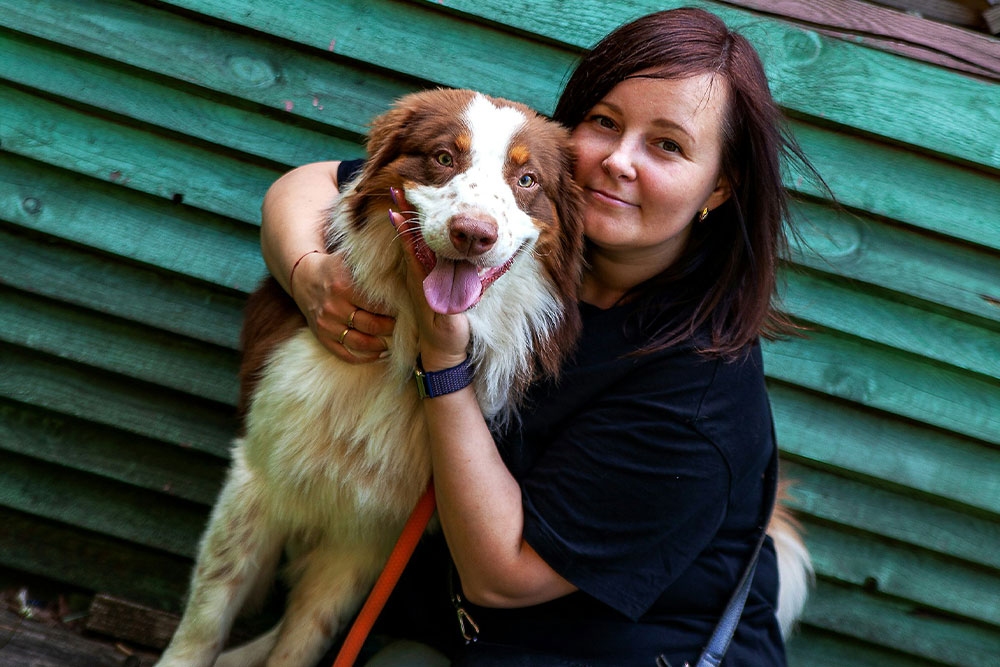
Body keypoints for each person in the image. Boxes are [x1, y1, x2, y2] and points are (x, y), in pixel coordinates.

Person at [261, 7, 817, 666]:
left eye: (667, 145)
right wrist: (308, 273)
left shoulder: (697, 398)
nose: (617, 161)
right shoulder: (527, 222)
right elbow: (315, 183)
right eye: (605, 123)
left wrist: (444, 363)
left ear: (718, 186)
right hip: (461, 629)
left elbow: (501, 575)